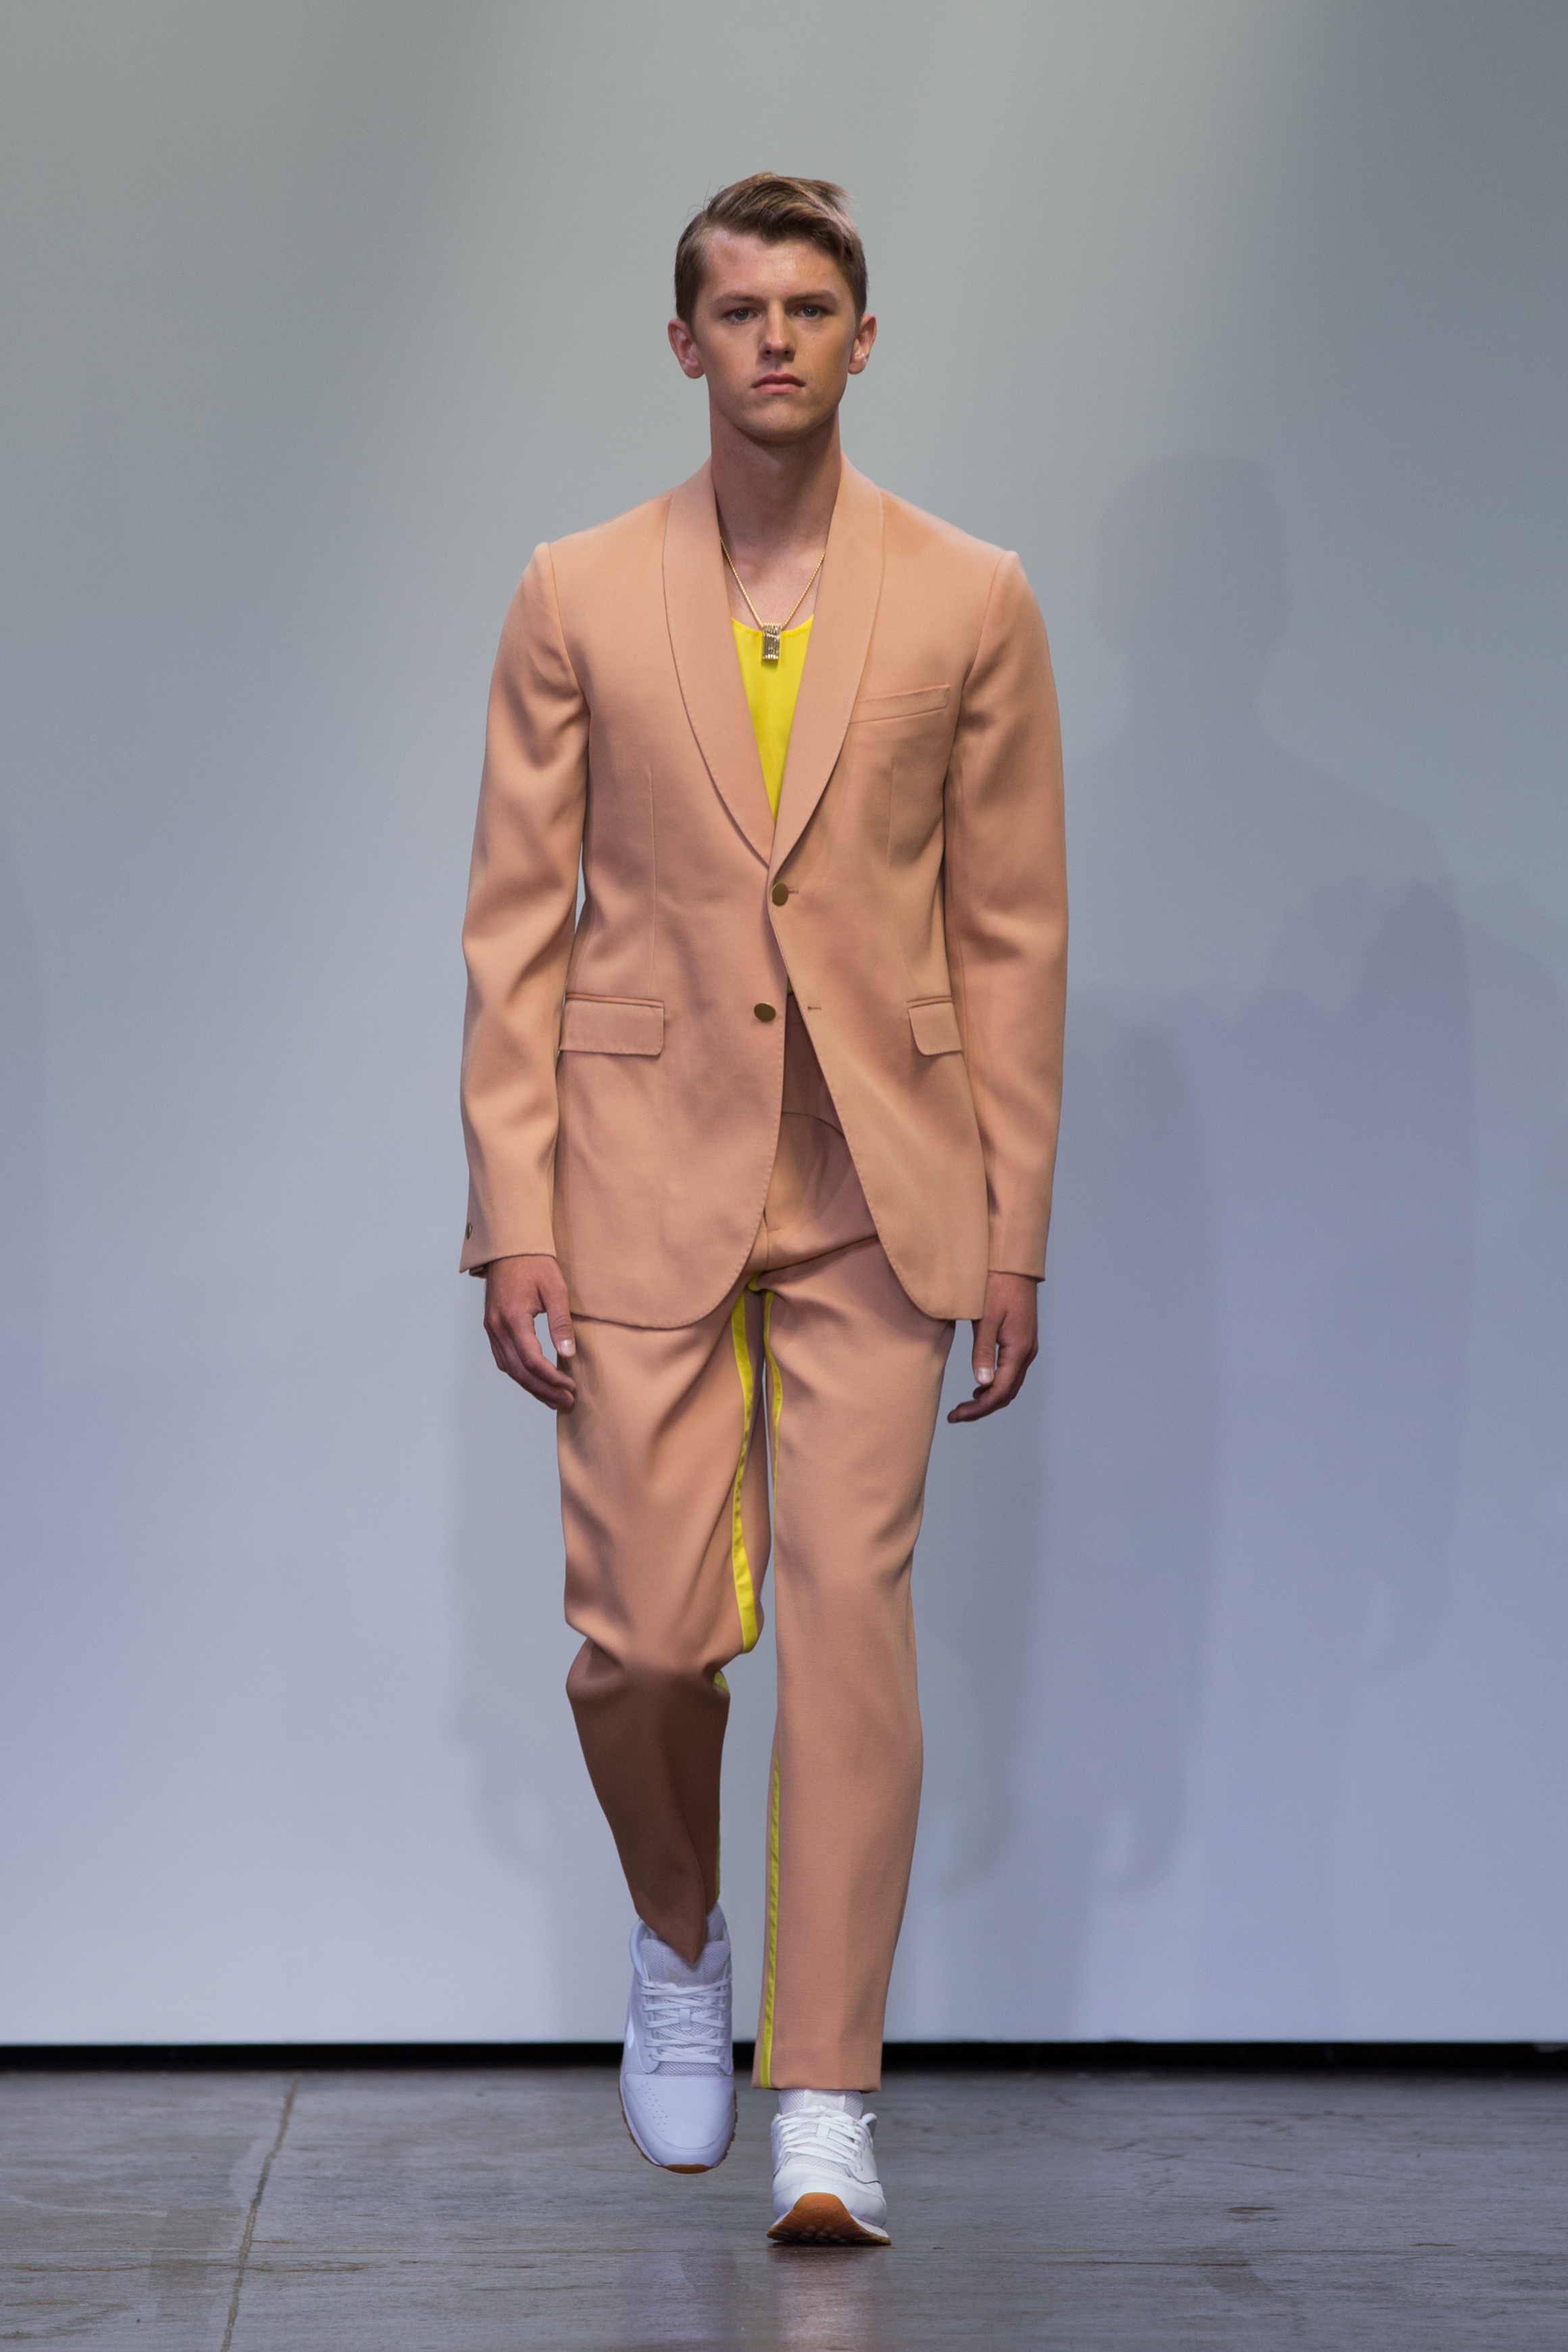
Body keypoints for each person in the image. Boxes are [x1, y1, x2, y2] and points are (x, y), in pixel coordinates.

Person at [459, 173, 1066, 2245]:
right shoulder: (573, 591)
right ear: (684, 342)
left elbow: (1010, 932)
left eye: (810, 307)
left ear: (862, 338)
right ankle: (675, 1931)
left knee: (848, 1629)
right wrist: (509, 1209)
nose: (777, 338)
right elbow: (512, 925)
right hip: (637, 1168)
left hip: (881, 1180)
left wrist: (1014, 1225)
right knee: (642, 1638)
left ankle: (824, 2092)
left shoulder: (970, 596)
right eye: (740, 309)